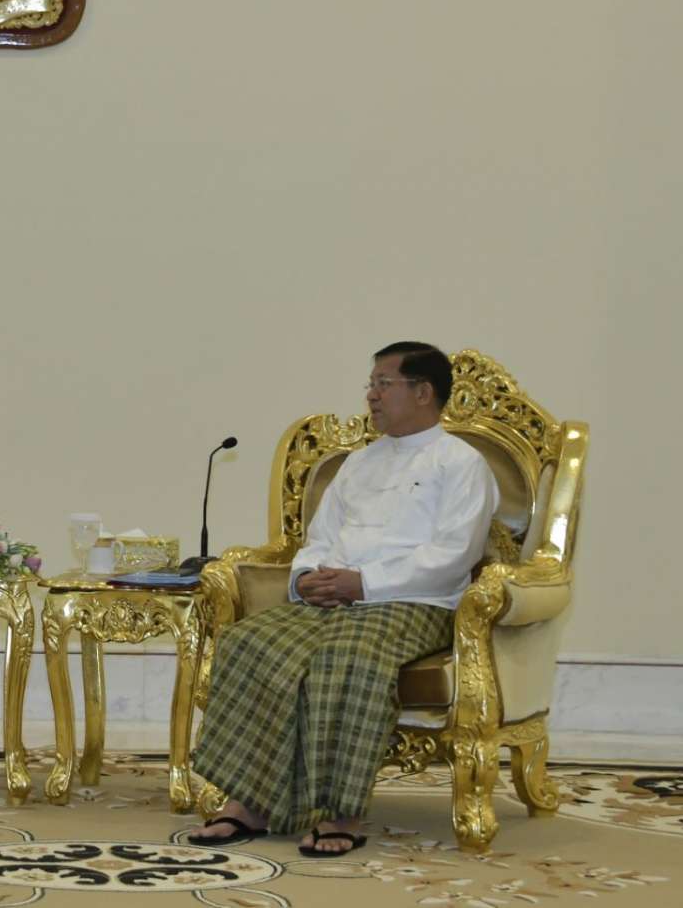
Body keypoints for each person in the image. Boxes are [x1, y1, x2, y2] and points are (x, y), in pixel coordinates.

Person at [188, 342, 499, 856]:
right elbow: (320, 536)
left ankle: (341, 813)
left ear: (423, 393)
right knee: (248, 642)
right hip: (334, 599)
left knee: (346, 656)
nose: (371, 396)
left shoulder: (462, 464)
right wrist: (306, 577)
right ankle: (249, 802)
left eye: (384, 384)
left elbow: (454, 554)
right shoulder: (358, 462)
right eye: (371, 385)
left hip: (415, 603)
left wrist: (365, 583)